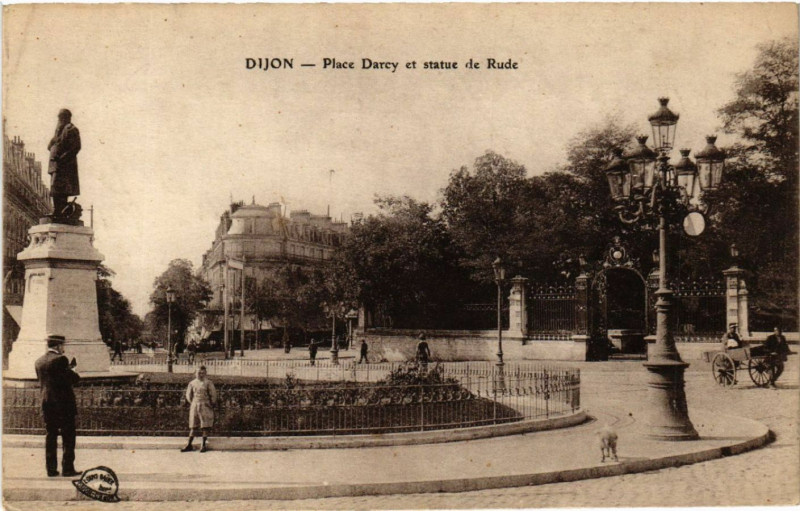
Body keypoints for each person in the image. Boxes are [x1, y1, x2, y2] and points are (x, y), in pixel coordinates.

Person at [34, 334, 81, 477]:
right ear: (58, 346)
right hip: (63, 404)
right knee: (68, 436)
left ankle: (51, 469)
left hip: (47, 403)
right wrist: (72, 370)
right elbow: (72, 380)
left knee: (51, 435)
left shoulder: (39, 361)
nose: (63, 348)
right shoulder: (61, 360)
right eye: (63, 346)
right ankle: (67, 468)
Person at [47, 109, 81, 219]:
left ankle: (59, 211)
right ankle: (57, 210)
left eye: (61, 118)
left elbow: (76, 147)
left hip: (65, 165)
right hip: (55, 165)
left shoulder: (71, 129)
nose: (59, 120)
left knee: (62, 188)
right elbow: (49, 146)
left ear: (66, 118)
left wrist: (62, 158)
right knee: (55, 187)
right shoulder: (58, 131)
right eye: (58, 118)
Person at [181, 366, 217, 453]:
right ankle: (189, 444)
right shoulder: (192, 383)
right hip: (195, 405)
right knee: (193, 425)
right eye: (199, 373)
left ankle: (203, 445)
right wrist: (193, 403)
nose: (201, 375)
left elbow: (213, 395)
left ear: (205, 373)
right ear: (195, 373)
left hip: (205, 405)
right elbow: (188, 396)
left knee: (205, 425)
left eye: (203, 373)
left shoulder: (208, 383)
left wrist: (211, 403)